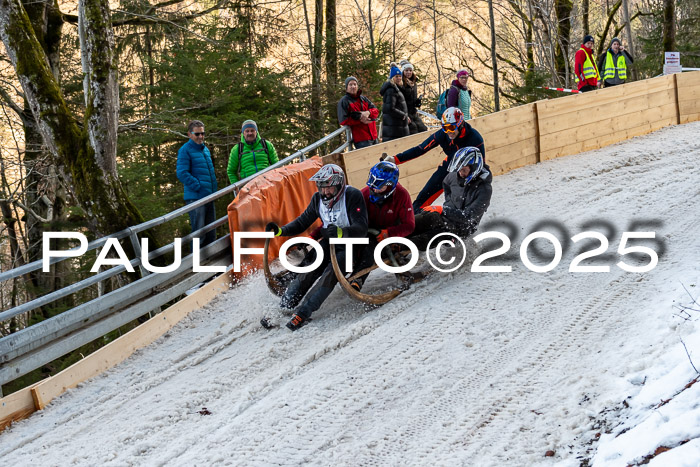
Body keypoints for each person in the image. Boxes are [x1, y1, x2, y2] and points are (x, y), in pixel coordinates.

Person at [263, 164, 368, 331]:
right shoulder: (317, 199)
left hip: (351, 246)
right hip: (328, 242)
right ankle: (285, 305)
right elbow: (303, 221)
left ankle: (304, 312)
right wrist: (281, 231)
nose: (325, 193)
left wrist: (341, 232)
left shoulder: (352, 195)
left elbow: (362, 228)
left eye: (329, 188)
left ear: (339, 184)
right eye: (321, 188)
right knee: (307, 270)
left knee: (329, 275)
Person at [384, 107, 485, 212]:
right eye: (445, 128)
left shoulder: (475, 138)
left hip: (467, 173)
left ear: (460, 124)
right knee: (423, 198)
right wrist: (395, 159)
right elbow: (420, 149)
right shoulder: (443, 134)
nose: (448, 132)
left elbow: (482, 164)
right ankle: (413, 216)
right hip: (448, 167)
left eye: (451, 127)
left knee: (461, 204)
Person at [349, 161, 415, 291]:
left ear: (390, 186)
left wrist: (388, 233)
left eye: (379, 186)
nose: (374, 189)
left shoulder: (402, 195)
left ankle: (358, 278)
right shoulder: (364, 194)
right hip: (366, 231)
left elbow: (409, 225)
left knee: (370, 247)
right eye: (373, 185)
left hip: (388, 235)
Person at [409, 146, 492, 249]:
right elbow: (446, 184)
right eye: (459, 169)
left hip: (462, 229)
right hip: (447, 217)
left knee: (429, 236)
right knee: (422, 219)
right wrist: (449, 204)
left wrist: (443, 210)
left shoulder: (484, 190)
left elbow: (469, 217)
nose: (461, 173)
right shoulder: (453, 177)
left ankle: (401, 247)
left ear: (474, 168)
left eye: (464, 170)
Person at [176, 120, 218, 248]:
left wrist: (213, 188)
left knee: (211, 230)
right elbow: (182, 173)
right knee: (198, 232)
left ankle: (211, 259)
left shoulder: (205, 150)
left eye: (202, 134)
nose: (200, 137)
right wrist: (198, 186)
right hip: (196, 197)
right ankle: (196, 262)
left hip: (209, 195)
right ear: (189, 134)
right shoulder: (185, 150)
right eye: (197, 134)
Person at [227, 120, 279, 184]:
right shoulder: (237, 149)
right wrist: (237, 187)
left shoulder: (266, 145)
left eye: (252, 130)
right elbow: (231, 171)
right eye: (247, 131)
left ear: (256, 132)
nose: (250, 133)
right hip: (248, 186)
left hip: (267, 183)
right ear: (243, 133)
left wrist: (276, 181)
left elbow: (277, 165)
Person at [337, 76, 379, 149]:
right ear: (346, 87)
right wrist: (361, 120)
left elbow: (376, 111)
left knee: (379, 158)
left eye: (355, 84)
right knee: (368, 160)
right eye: (350, 84)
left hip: (374, 136)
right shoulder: (344, 101)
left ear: (357, 86)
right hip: (361, 138)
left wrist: (368, 112)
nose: (353, 86)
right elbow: (343, 120)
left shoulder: (363, 99)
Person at [380, 63, 410, 142]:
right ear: (392, 78)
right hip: (394, 128)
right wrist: (403, 115)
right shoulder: (391, 90)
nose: (399, 78)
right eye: (396, 76)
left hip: (397, 126)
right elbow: (390, 108)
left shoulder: (396, 88)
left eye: (400, 76)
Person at [399, 62, 428, 135]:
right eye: (406, 70)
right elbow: (399, 100)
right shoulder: (401, 83)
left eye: (410, 70)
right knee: (413, 129)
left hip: (413, 111)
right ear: (403, 71)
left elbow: (413, 98)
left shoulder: (414, 83)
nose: (408, 72)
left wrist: (418, 101)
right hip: (405, 111)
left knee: (423, 128)